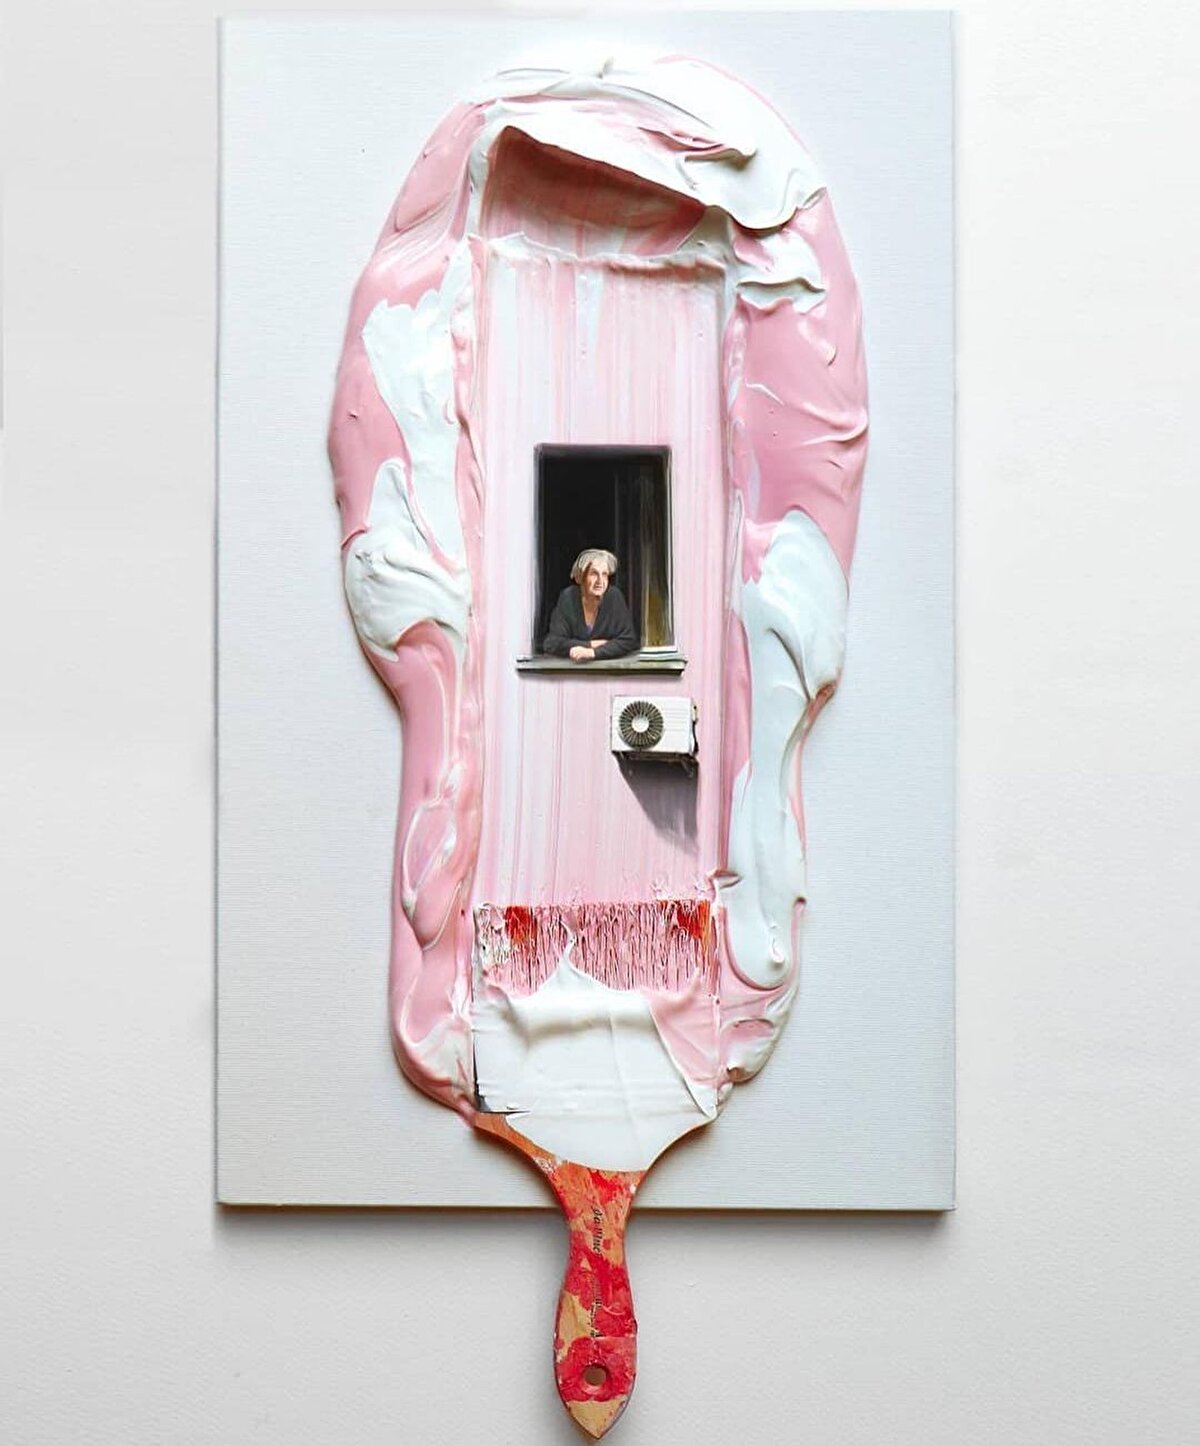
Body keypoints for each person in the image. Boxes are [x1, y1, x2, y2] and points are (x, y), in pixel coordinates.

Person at [543, 548, 637, 662]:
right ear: (581, 577)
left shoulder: (614, 596)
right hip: (573, 670)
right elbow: (552, 643)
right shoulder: (568, 598)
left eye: (605, 574)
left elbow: (628, 641)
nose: (600, 581)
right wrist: (590, 644)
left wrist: (593, 653)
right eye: (594, 574)